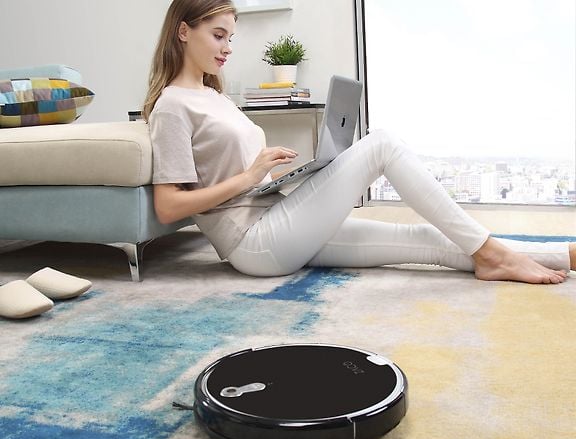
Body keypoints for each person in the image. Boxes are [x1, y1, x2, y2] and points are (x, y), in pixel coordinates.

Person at [143, 0, 576, 284]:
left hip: (276, 218)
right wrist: (249, 176)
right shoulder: (173, 106)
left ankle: (560, 255)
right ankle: (495, 254)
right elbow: (168, 206)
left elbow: (238, 172)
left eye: (230, 38)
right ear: (183, 32)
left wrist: (284, 175)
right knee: (382, 144)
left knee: (423, 239)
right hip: (253, 242)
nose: (227, 47)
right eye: (218, 35)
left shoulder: (215, 97)